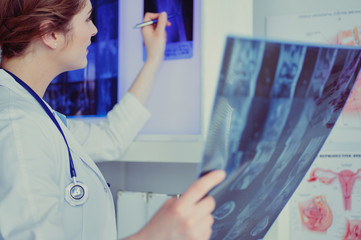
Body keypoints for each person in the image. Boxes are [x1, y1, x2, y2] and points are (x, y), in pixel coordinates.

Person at [0, 0, 226, 239]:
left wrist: (154, 57)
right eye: (87, 19)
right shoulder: (18, 125)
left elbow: (111, 137)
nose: (95, 30)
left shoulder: (33, 112)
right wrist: (157, 234)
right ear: (51, 34)